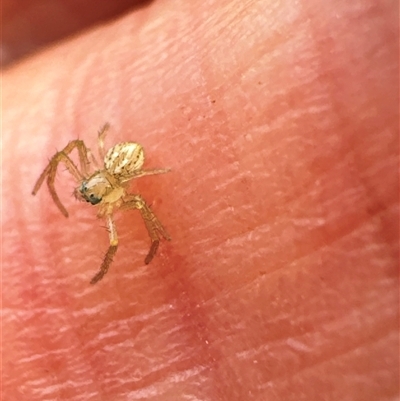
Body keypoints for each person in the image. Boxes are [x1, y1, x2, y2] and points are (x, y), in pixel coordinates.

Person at [2, 1, 398, 399]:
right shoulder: (92, 170)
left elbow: (118, 235)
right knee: (68, 150)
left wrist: (146, 243)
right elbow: (69, 150)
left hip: (123, 165)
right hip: (117, 165)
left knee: (125, 225)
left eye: (90, 193)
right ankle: (60, 197)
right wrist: (49, 184)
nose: (88, 194)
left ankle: (150, 244)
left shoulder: (120, 191)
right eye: (89, 191)